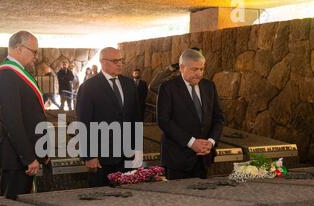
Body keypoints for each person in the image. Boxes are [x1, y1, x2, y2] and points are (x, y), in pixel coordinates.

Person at [0, 31, 49, 200]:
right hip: (15, 156)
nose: (36, 56)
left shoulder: (17, 73)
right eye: (34, 51)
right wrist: (29, 157)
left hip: (22, 155)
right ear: (19, 48)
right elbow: (12, 120)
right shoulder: (7, 74)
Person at [76, 47, 141, 187]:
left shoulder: (129, 84)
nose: (120, 64)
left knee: (129, 197)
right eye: (115, 61)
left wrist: (138, 149)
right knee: (101, 198)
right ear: (103, 62)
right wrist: (89, 155)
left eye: (121, 60)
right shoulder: (89, 87)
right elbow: (83, 123)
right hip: (101, 158)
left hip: (127, 156)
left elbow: (135, 118)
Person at [157, 48, 224, 180]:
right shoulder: (168, 87)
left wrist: (210, 142)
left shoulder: (209, 86)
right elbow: (164, 121)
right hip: (177, 159)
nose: (199, 73)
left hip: (204, 158)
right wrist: (191, 142)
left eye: (201, 69)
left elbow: (218, 118)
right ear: (182, 67)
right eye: (194, 69)